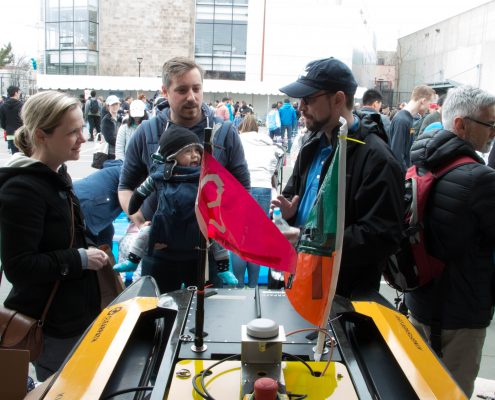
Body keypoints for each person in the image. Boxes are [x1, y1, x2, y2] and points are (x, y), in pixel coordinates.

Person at [273, 57, 404, 298]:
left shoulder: (377, 157)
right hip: (302, 282)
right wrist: (290, 213)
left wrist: (309, 239)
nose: (300, 107)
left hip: (344, 296)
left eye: (309, 99)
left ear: (338, 99)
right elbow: (296, 195)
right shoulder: (312, 143)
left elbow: (381, 236)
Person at [0, 91, 108, 381]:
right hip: (53, 326)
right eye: (73, 132)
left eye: (82, 128)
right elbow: (19, 267)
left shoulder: (57, 176)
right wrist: (79, 259)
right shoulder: (22, 189)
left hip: (74, 316)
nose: (83, 138)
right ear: (42, 135)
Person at [118, 56, 249, 291]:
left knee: (208, 321)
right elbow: (125, 186)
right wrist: (141, 222)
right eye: (182, 90)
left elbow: (242, 189)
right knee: (157, 316)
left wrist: (221, 227)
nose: (191, 97)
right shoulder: (147, 132)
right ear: (165, 91)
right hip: (159, 252)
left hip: (206, 253)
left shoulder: (224, 134)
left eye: (196, 89)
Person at [405, 86, 495, 398]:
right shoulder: (480, 179)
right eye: (489, 125)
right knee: (451, 394)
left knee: (417, 389)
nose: (493, 133)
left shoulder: (419, 163)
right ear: (461, 124)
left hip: (418, 303)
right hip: (461, 317)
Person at [114, 126, 237, 291]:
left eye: (197, 151)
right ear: (172, 156)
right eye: (188, 152)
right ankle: (132, 261)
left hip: (196, 233)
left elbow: (222, 196)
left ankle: (224, 269)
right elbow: (140, 192)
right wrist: (135, 211)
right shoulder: (159, 176)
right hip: (164, 231)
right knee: (145, 232)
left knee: (216, 237)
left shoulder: (205, 176)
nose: (195, 155)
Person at [231, 115, 283, 288]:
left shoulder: (237, 140)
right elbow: (272, 169)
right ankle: (254, 287)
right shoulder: (269, 144)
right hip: (263, 189)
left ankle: (238, 286)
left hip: (241, 189)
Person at [74, 160, 123, 248]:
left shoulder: (116, 167)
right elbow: (133, 205)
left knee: (107, 232)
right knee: (90, 244)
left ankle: (105, 258)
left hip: (78, 193)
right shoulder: (129, 172)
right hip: (88, 207)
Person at [389, 85, 436, 172]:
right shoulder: (402, 120)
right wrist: (407, 178)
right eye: (430, 104)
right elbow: (397, 155)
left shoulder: (408, 118)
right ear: (423, 101)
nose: (429, 108)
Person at [0, 85, 23, 154]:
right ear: (16, 93)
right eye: (19, 93)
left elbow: (2, 122)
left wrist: (7, 128)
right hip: (20, 132)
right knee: (22, 154)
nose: (19, 94)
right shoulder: (22, 105)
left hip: (9, 133)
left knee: (14, 154)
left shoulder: (3, 106)